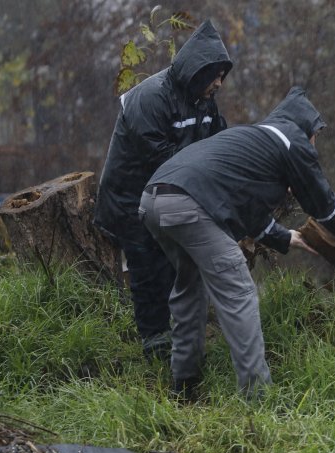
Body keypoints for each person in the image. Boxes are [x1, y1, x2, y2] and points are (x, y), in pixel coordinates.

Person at [140, 86, 335, 400]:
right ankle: (257, 397)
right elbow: (320, 198)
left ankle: (185, 386)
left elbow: (246, 208)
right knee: (239, 291)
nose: (314, 145)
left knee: (189, 286)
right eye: (316, 136)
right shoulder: (290, 139)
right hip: (188, 203)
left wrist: (287, 237)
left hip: (153, 200)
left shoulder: (250, 142)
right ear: (307, 127)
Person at [94, 21, 233, 362]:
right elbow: (161, 159)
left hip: (169, 193)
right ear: (197, 69)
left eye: (222, 76)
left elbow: (218, 143)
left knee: (173, 263)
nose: (219, 83)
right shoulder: (149, 97)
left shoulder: (202, 100)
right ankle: (154, 340)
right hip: (130, 195)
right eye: (215, 74)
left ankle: (177, 335)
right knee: (146, 265)